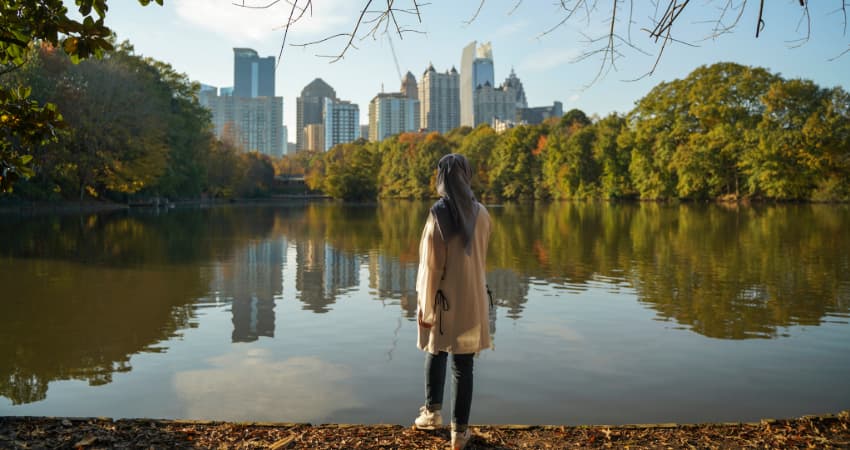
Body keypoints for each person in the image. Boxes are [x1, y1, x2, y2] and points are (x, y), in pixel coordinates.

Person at [413, 153, 492, 450]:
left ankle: (432, 414)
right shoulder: (482, 213)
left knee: (436, 351)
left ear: (442, 177)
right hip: (473, 299)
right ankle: (460, 433)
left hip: (443, 299)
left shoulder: (438, 215)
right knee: (464, 364)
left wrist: (425, 305)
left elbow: (430, 266)